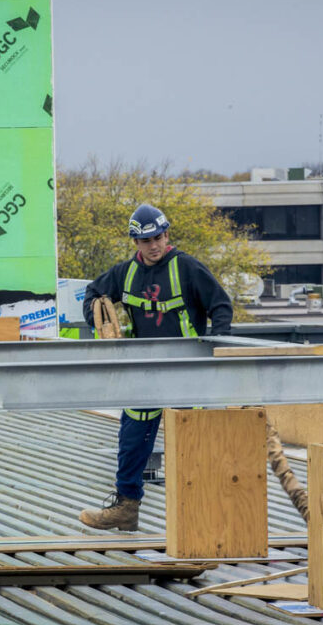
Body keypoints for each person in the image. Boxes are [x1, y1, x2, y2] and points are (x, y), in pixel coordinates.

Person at [78, 203, 233, 531]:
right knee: (133, 436)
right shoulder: (125, 273)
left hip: (187, 370)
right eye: (147, 240)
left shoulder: (186, 268)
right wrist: (96, 311)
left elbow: (221, 306)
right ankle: (126, 507)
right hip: (145, 370)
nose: (155, 245)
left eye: (159, 237)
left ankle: (200, 515)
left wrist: (216, 352)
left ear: (167, 235)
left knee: (193, 441)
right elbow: (92, 294)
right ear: (135, 243)